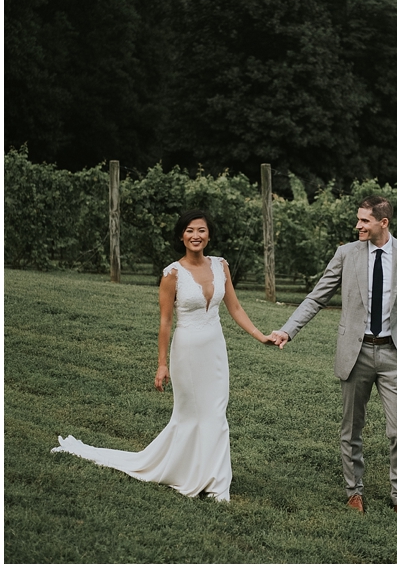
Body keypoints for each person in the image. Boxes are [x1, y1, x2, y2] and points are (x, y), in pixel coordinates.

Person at [53, 210, 273, 501]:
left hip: (215, 350)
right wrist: (161, 364)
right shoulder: (173, 274)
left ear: (209, 235)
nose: (196, 236)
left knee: (216, 413)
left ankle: (214, 479)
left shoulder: (221, 266)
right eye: (190, 230)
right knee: (191, 416)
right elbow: (165, 323)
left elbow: (235, 308)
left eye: (202, 230)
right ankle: (203, 479)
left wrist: (261, 336)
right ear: (182, 236)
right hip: (188, 352)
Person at [268, 195, 397, 518]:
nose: (358, 226)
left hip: (394, 354)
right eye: (358, 219)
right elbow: (316, 298)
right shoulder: (346, 254)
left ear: (383, 223)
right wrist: (288, 330)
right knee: (351, 427)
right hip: (355, 353)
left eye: (364, 221)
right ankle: (354, 491)